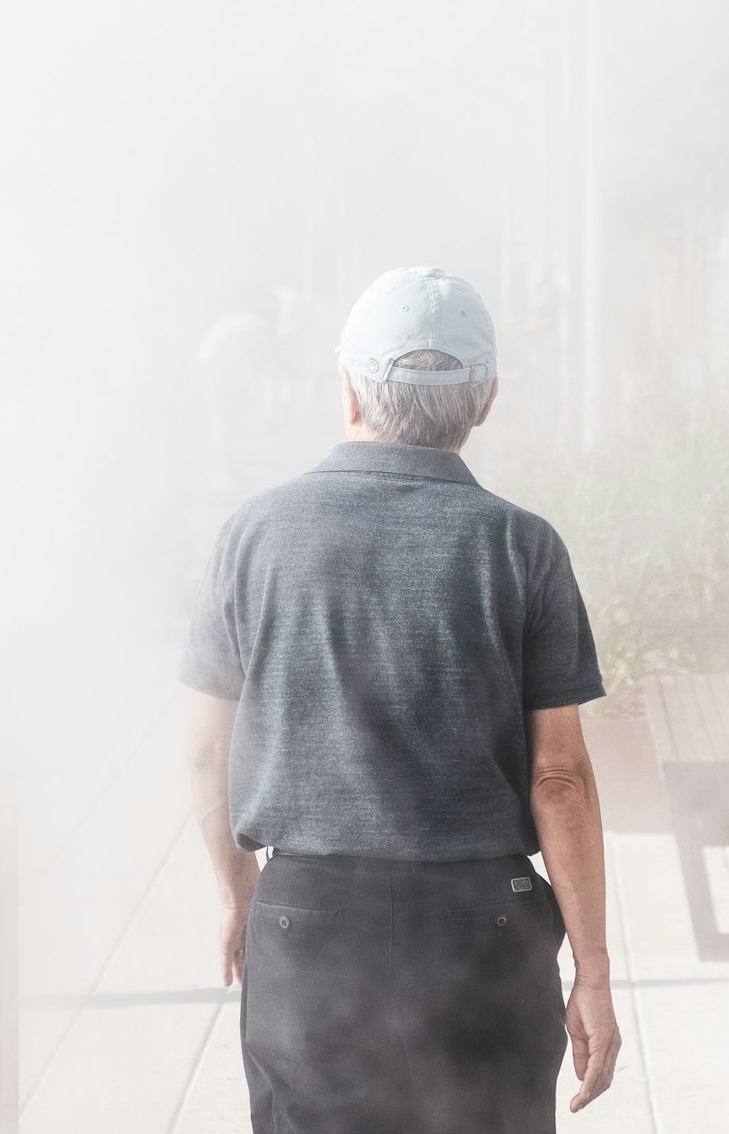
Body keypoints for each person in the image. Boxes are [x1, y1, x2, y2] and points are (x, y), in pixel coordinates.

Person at [180, 265, 621, 1133]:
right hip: (483, 928)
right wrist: (595, 970)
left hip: (309, 923)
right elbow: (559, 778)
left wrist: (241, 893)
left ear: (350, 391)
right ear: (484, 400)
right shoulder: (521, 547)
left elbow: (204, 750)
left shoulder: (253, 535)